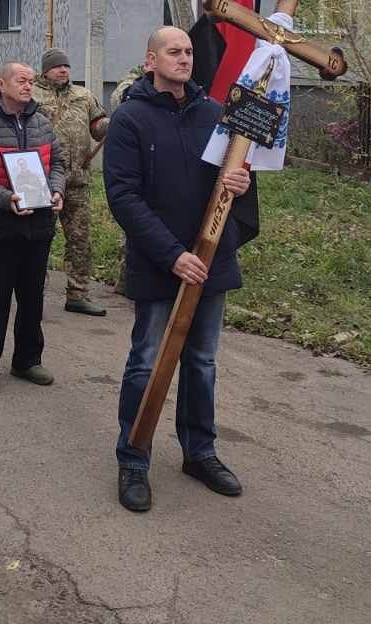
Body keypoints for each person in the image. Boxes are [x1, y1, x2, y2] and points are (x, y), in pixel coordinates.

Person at [104, 26, 258, 514]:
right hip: (160, 263)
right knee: (147, 361)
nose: (185, 58)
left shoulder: (215, 114)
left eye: (189, 51)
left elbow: (233, 180)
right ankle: (134, 458)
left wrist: (241, 182)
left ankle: (200, 452)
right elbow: (123, 197)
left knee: (202, 361)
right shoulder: (129, 119)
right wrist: (172, 254)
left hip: (210, 260)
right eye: (174, 51)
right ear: (151, 61)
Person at [0, 62, 65, 395]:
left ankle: (27, 360)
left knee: (32, 299)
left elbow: (58, 163)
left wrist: (57, 190)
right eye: (21, 80)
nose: (28, 86)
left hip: (38, 227)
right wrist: (6, 199)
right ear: (2, 85)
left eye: (31, 81)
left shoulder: (43, 123)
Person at [32, 48, 110, 316]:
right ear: (45, 70)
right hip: (41, 182)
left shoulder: (83, 95)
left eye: (66, 66)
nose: (63, 70)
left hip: (77, 181)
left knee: (80, 241)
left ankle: (78, 294)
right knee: (39, 240)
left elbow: (97, 127)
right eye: (57, 66)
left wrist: (110, 123)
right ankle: (33, 295)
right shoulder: (32, 94)